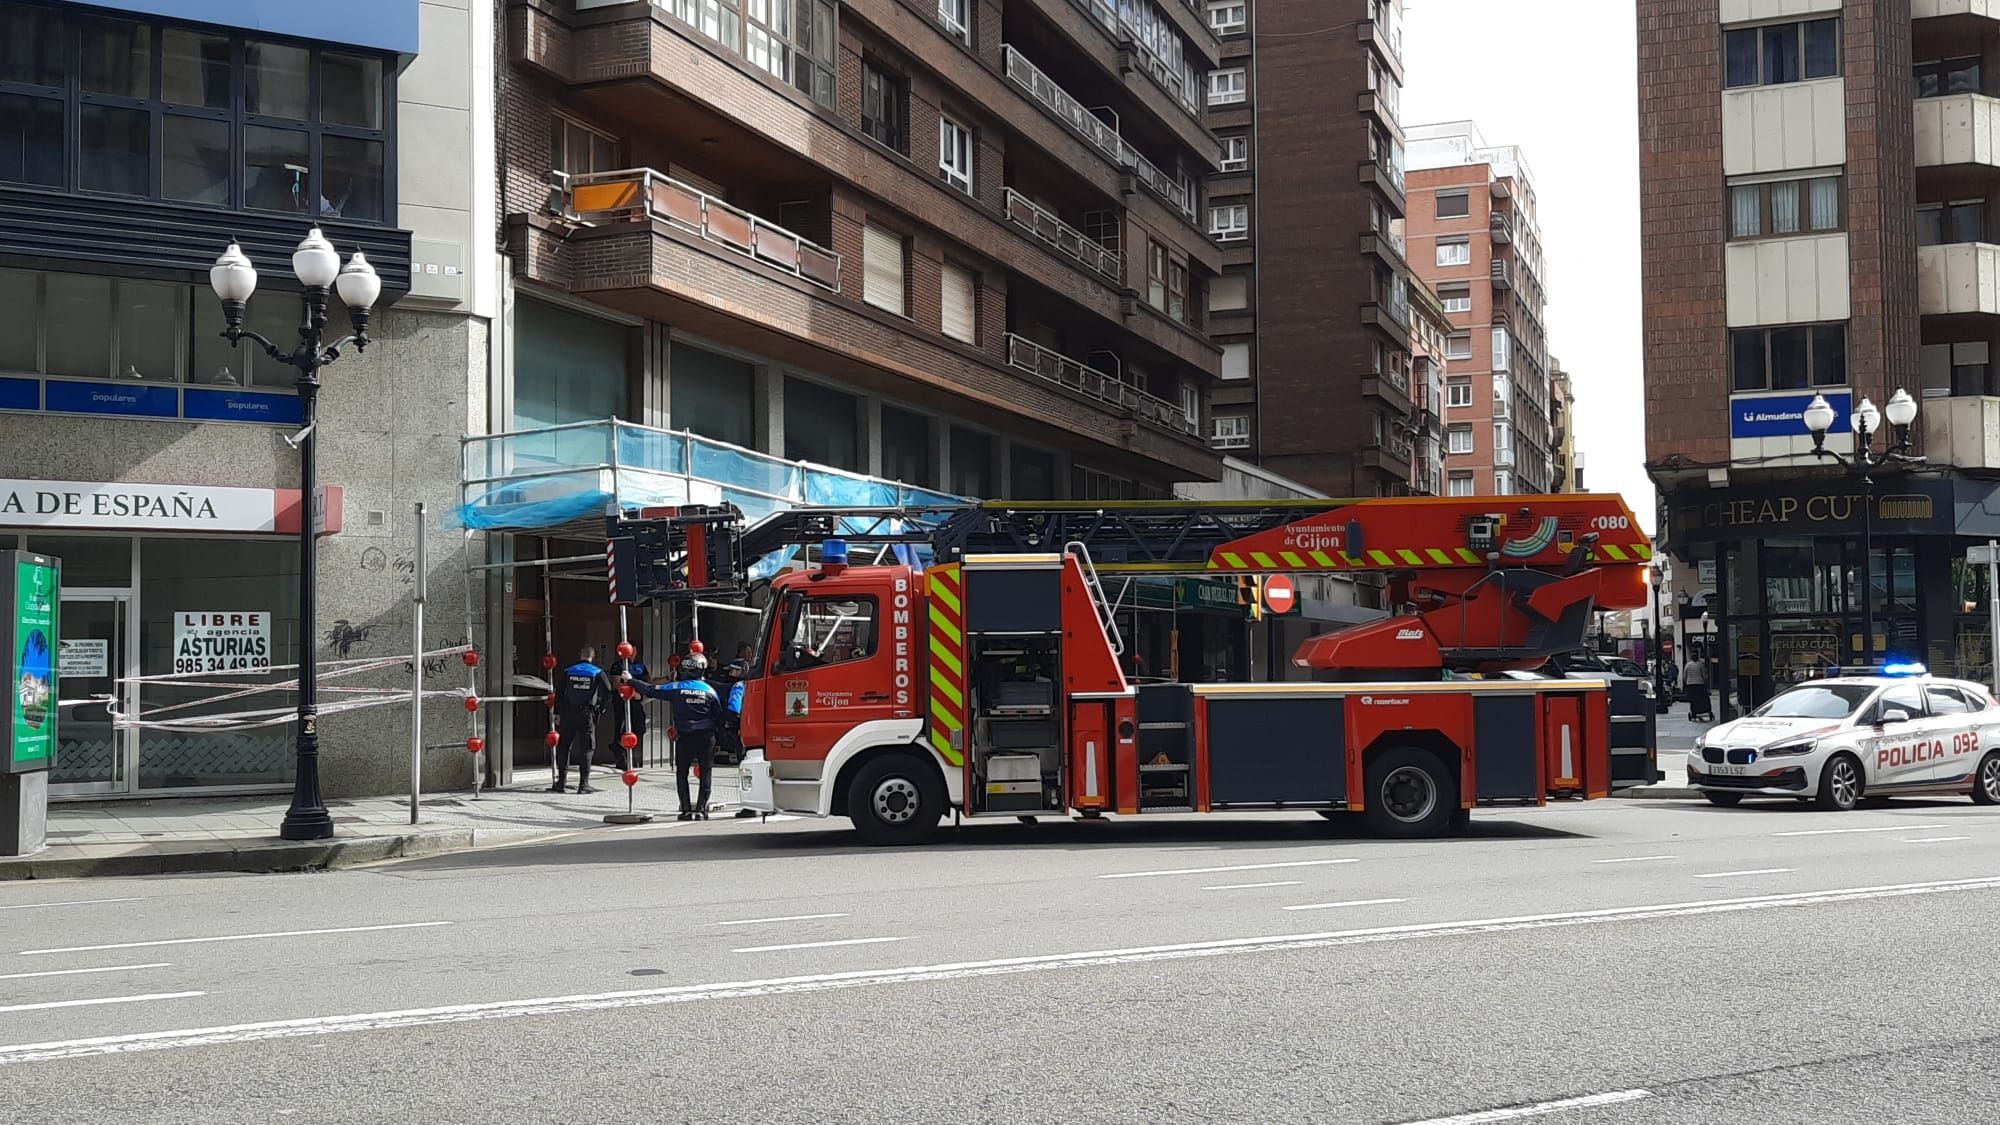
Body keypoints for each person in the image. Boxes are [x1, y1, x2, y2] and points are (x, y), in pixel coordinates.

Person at [629, 652, 723, 820]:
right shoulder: (710, 691)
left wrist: (630, 681)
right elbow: (719, 717)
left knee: (682, 774)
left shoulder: (677, 687)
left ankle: (686, 810)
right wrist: (720, 740)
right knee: (706, 773)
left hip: (684, 736)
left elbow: (651, 690)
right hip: (706, 736)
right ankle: (701, 810)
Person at [552, 646, 616, 794]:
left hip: (568, 713)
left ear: (580, 655)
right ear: (592, 657)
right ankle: (583, 784)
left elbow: (559, 693)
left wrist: (557, 712)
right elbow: (608, 690)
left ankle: (561, 782)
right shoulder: (596, 672)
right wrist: (601, 707)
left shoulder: (568, 671)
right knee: (587, 748)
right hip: (587, 713)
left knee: (564, 746)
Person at [605, 648, 649, 770]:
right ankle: (622, 756)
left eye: (633, 650)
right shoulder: (618, 665)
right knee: (622, 728)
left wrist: (666, 678)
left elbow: (648, 683)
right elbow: (616, 684)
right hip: (621, 700)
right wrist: (632, 690)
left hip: (636, 701)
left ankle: (618, 747)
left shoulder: (640, 666)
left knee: (640, 727)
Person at [1682, 657, 1712, 723]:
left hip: (1690, 684)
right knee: (1701, 698)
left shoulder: (1687, 665)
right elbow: (1704, 675)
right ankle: (1703, 709)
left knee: (1693, 700)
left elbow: (1684, 675)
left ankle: (1694, 713)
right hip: (1699, 683)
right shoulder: (1701, 664)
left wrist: (1687, 681)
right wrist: (1705, 681)